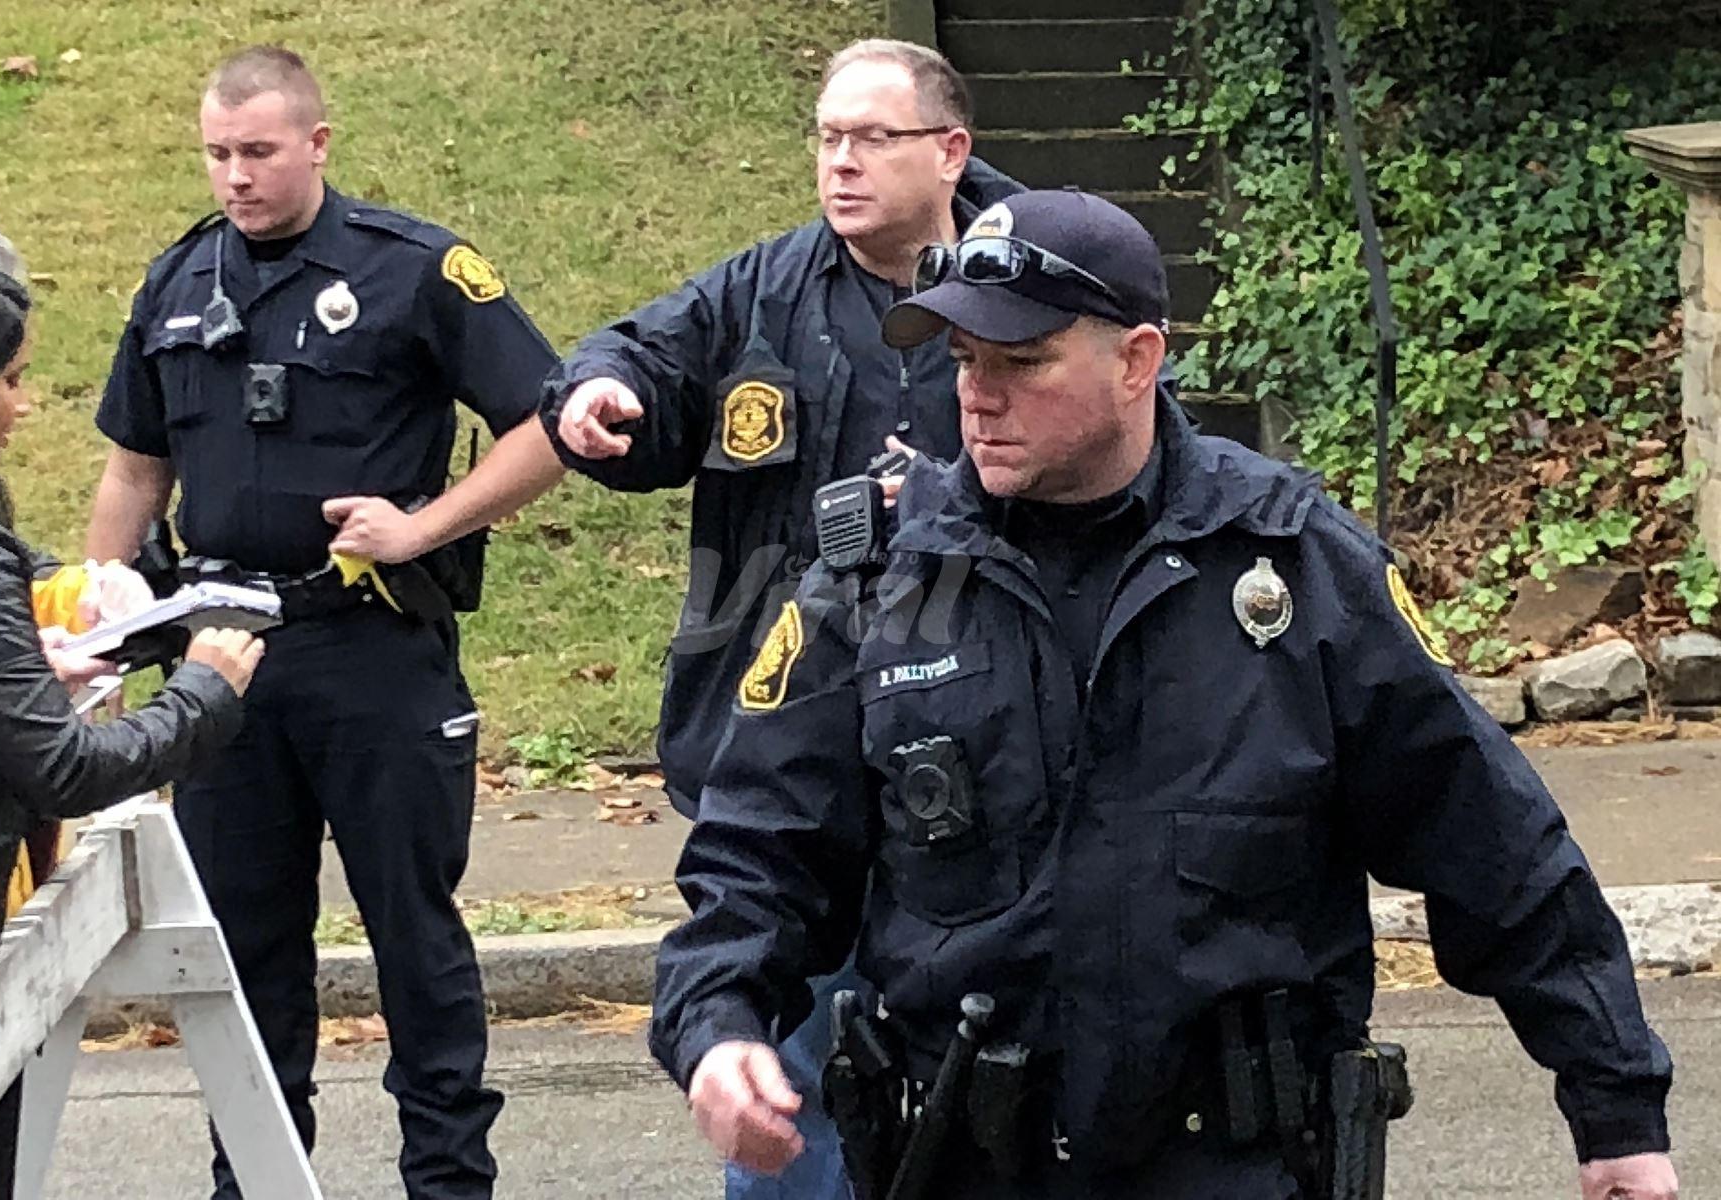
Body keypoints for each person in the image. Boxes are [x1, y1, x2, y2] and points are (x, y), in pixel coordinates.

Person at [649, 190, 1679, 1200]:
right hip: (963, 1159)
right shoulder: (883, 581)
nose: (978, 396)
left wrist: (1618, 1113)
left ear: (1138, 360)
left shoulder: (1294, 568)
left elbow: (1495, 850)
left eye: (1022, 361)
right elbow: (761, 852)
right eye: (964, 360)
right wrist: (718, 1024)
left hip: (1237, 1162)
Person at [537, 37, 1018, 1198]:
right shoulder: (759, 295)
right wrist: (600, 393)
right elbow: (640, 354)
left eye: (872, 138)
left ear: (949, 150)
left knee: (994, 1097)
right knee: (791, 1092)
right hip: (792, 754)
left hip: (991, 753)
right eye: (827, 137)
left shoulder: (1034, 286)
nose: (840, 160)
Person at [82, 46, 561, 1200]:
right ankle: (253, 1181)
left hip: (372, 650)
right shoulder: (177, 281)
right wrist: (100, 623)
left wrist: (423, 526)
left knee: (415, 940)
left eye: (258, 151)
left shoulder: (416, 269)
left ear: (317, 143)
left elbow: (546, 425)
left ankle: (449, 1182)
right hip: (223, 662)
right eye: (217, 154)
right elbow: (135, 470)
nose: (235, 176)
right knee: (244, 955)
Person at [0, 247, 263, 1200]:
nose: (23, 405)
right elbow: (64, 769)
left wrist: (10, 664)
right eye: (10, 380)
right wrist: (203, 693)